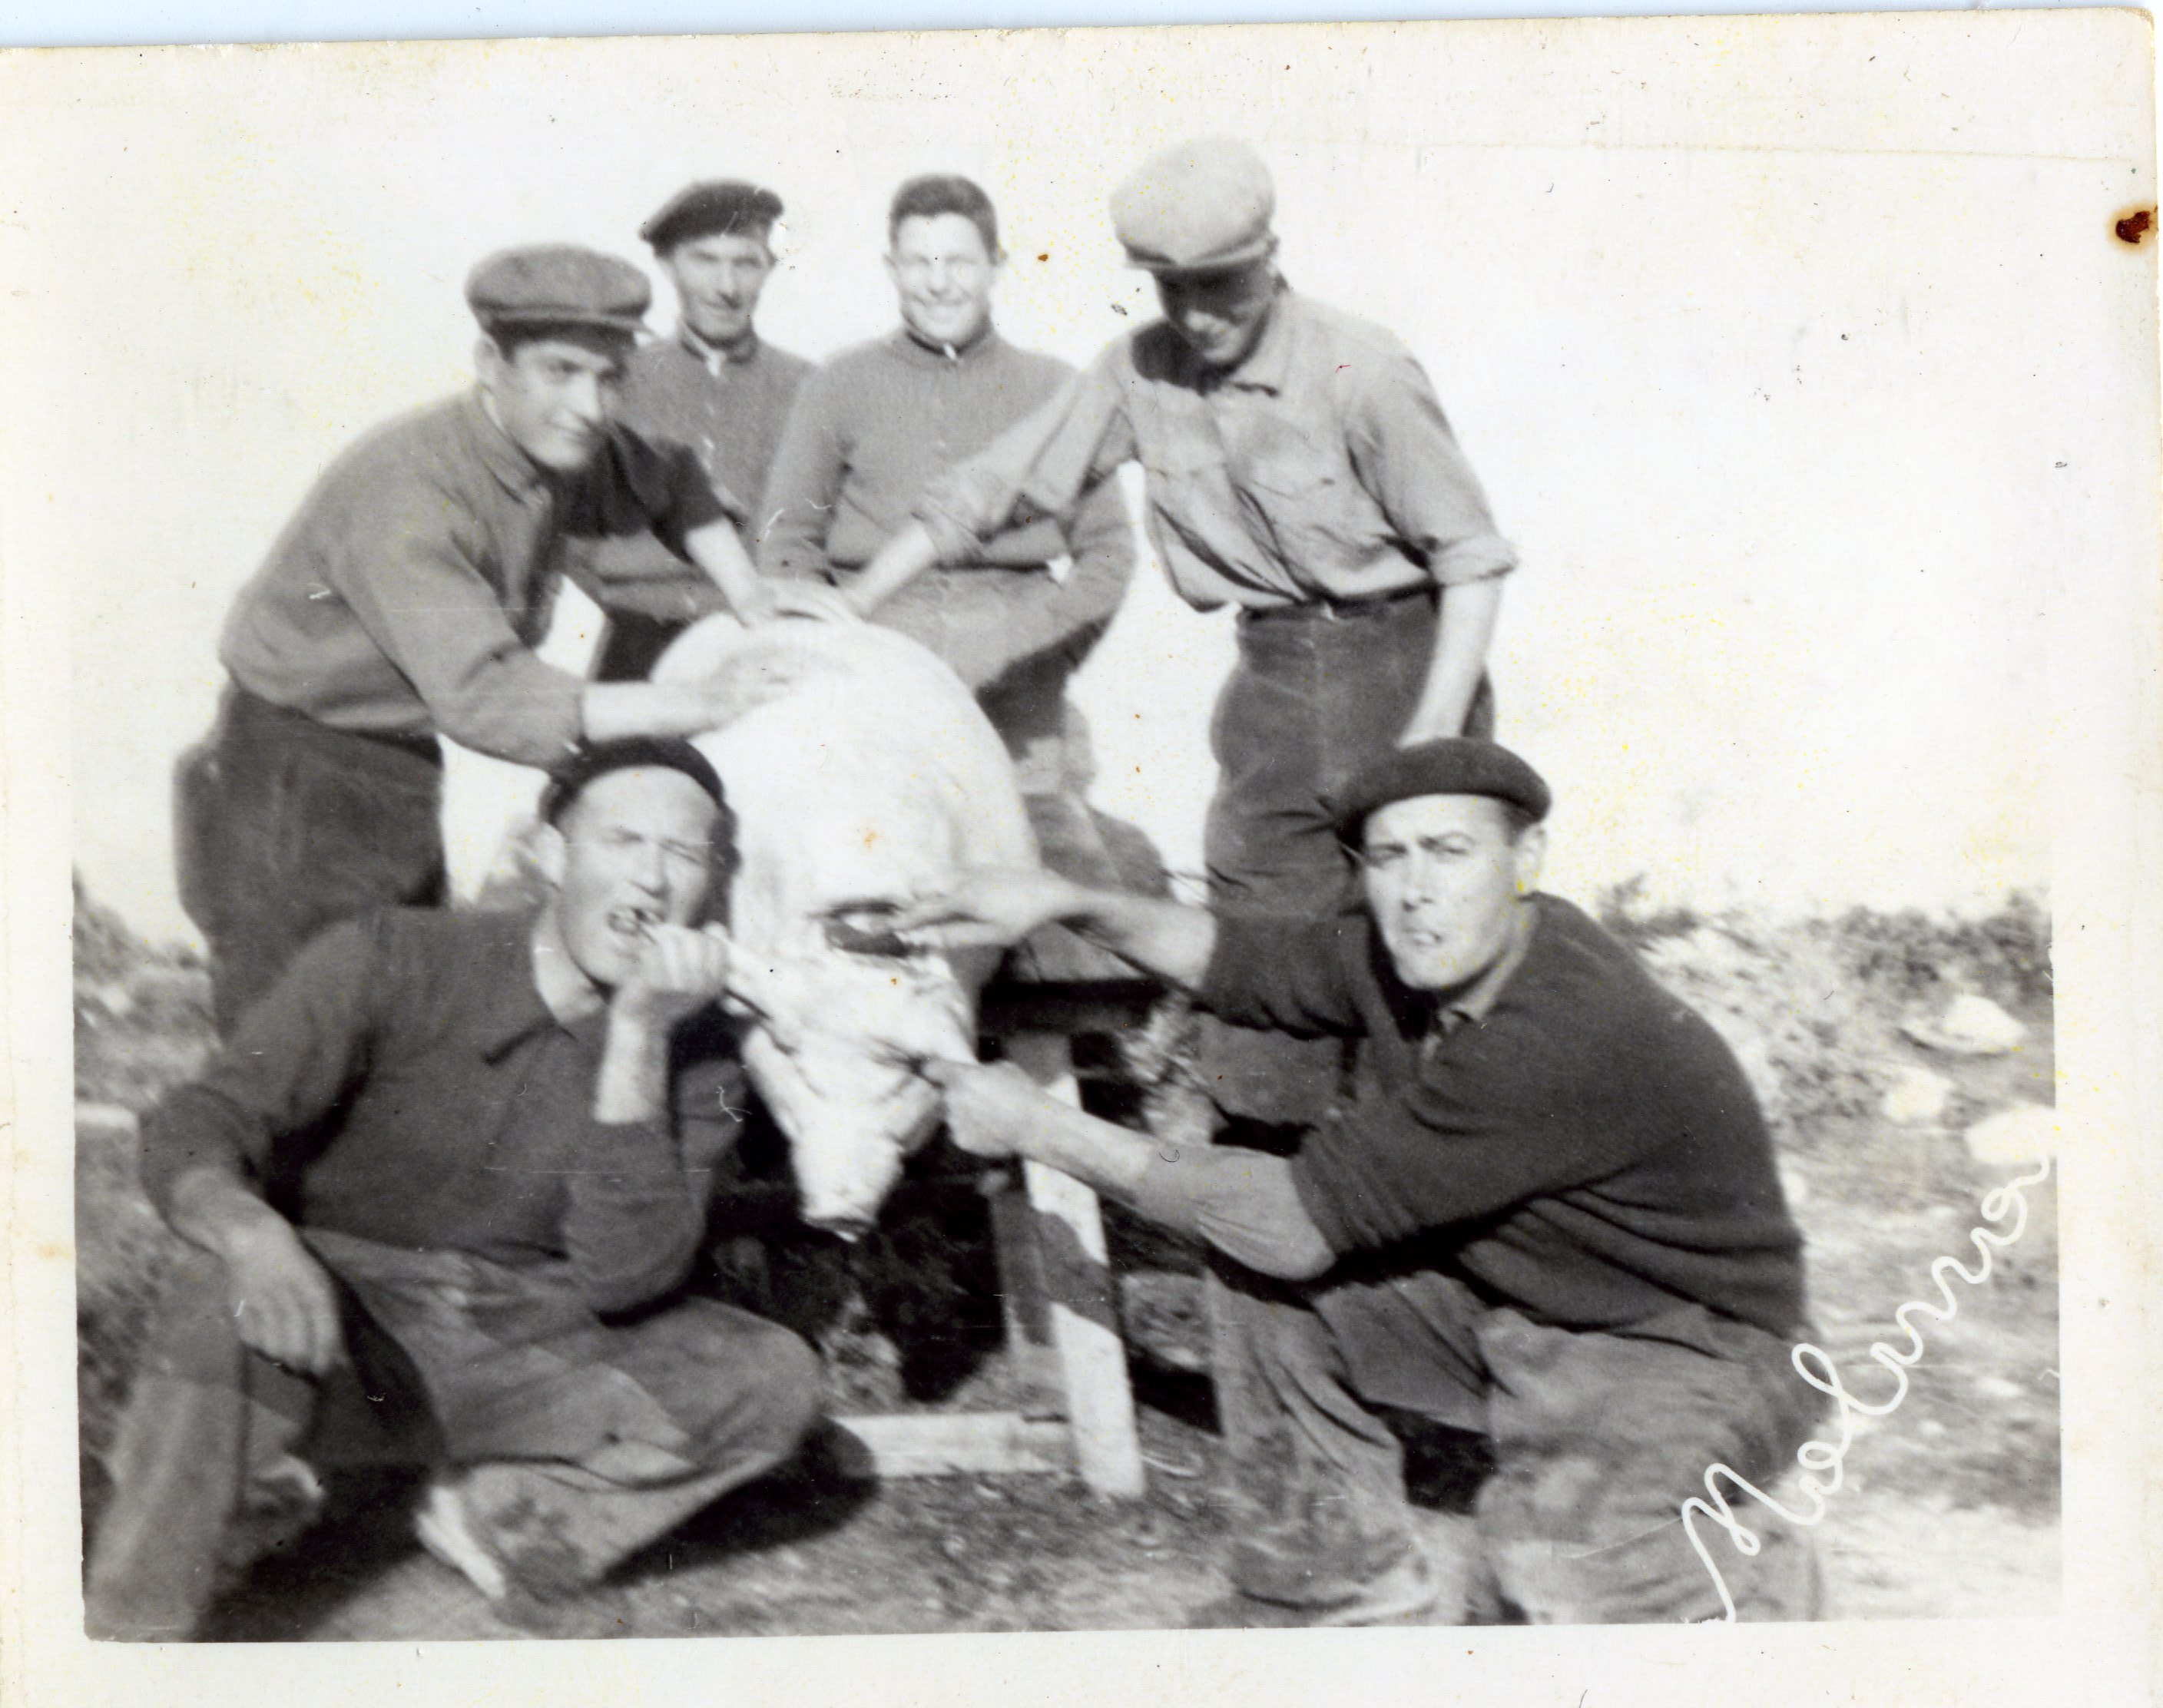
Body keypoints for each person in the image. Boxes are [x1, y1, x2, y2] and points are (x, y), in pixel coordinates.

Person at [888, 738, 1822, 1627]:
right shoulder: (1438, 950)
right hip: (1529, 1312)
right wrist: (1062, 901)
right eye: (1387, 857)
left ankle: (1755, 1589)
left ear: (1525, 858)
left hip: (1700, 1354)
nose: (1414, 889)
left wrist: (1038, 1127)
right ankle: (1336, 1585)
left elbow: (1291, 1222)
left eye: (1448, 851)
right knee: (1261, 1280)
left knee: (1554, 1568)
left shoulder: (1556, 1030)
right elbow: (1241, 961)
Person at [843, 137, 1515, 1135]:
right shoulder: (1138, 370)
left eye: (1221, 287)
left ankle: (1443, 1161)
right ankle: (1271, 1163)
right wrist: (855, 602)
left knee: (1425, 936)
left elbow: (1471, 560)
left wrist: (1432, 734)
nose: (1198, 316)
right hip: (1273, 681)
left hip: (1403, 665)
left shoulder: (1362, 368)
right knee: (1258, 947)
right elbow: (993, 486)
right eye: (1172, 289)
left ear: (1270, 257)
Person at [87, 739, 823, 1640]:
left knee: (771, 1376)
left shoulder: (697, 1049)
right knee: (222, 1301)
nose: (651, 878)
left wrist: (638, 1037)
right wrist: (250, 1232)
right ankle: (129, 1634)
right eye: (623, 841)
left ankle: (494, 1516)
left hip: (527, 1332)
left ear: (710, 881)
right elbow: (204, 1116)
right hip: (339, 1318)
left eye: (683, 854)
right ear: (549, 855)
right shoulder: (394, 956)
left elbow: (623, 1279)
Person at [180, 243, 785, 1036]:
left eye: (609, 378)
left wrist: (752, 599)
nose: (589, 406)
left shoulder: (557, 445)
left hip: (394, 766)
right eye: (560, 371)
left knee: (393, 1020)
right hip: (291, 780)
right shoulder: (411, 490)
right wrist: (700, 704)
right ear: (489, 363)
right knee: (295, 1036)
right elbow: (489, 698)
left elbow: (671, 481)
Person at [759, 173, 1138, 888]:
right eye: (918, 262)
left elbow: (1109, 552)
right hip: (876, 663)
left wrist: (1041, 650)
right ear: (890, 268)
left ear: (997, 265)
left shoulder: (1055, 387)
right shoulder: (838, 384)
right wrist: (833, 642)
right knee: (868, 871)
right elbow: (786, 541)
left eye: (959, 262)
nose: (938, 284)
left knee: (1052, 883)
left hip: (1018, 671)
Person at [576, 180, 819, 680]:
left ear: (769, 269)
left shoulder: (809, 387)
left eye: (746, 263)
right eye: (704, 260)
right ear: (667, 265)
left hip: (765, 641)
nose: (726, 286)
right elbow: (566, 530)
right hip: (638, 638)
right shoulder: (614, 382)